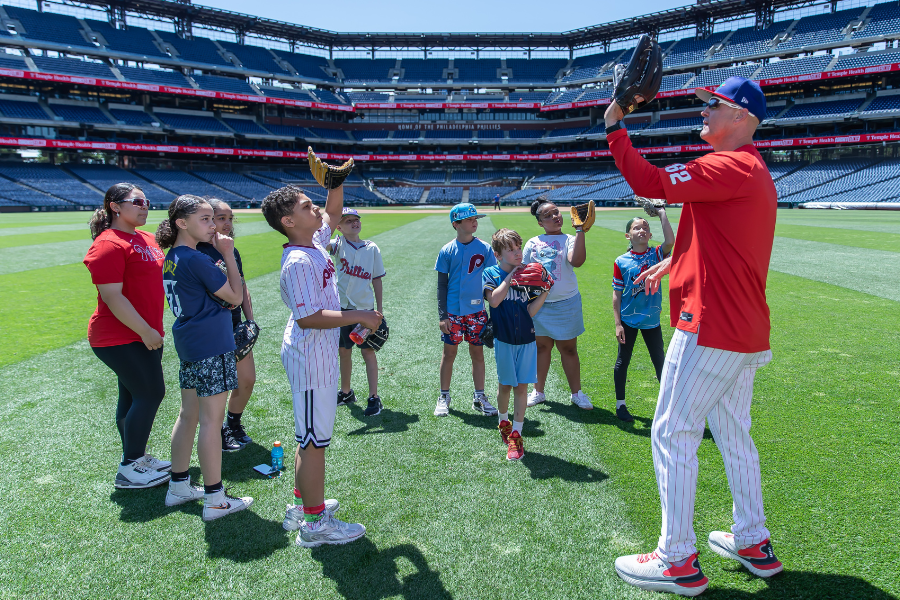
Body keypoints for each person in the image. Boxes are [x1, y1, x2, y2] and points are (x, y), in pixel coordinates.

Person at [606, 77, 783, 595]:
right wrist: (671, 263)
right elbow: (719, 238)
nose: (704, 111)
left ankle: (676, 559)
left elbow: (651, 180)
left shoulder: (730, 164)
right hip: (744, 328)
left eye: (715, 105)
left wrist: (614, 125)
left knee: (672, 431)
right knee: (734, 434)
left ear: (742, 118)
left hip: (711, 326)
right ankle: (752, 540)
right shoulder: (750, 170)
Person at [261, 183, 382, 547]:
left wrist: (336, 181)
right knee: (314, 441)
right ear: (288, 221)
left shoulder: (313, 241)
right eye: (306, 206)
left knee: (309, 437)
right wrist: (360, 314)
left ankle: (303, 505)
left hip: (318, 352)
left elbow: (331, 212)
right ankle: (315, 524)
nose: (316, 209)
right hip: (311, 355)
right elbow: (309, 317)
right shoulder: (299, 260)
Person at [157, 195, 253, 521]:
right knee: (211, 421)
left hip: (190, 342)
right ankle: (215, 498)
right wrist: (227, 254)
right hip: (211, 343)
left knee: (189, 415)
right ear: (182, 223)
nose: (213, 226)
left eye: (214, 219)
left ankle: (179, 486)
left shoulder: (173, 256)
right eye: (206, 219)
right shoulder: (196, 258)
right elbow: (235, 297)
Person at [84, 183, 171, 490]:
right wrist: (145, 331)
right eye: (137, 201)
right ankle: (130, 466)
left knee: (133, 396)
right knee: (150, 393)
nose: (145, 206)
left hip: (145, 332)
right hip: (118, 336)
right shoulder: (108, 244)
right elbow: (112, 296)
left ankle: (136, 458)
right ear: (115, 206)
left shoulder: (146, 238)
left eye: (147, 202)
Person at [195, 198, 257, 452]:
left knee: (247, 380)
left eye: (230, 218)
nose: (227, 223)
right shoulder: (198, 252)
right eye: (221, 218)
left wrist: (249, 320)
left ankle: (233, 422)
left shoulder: (231, 249)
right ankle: (219, 430)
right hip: (212, 330)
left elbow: (242, 285)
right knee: (218, 387)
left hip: (235, 324)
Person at [483, 229, 549, 461]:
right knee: (505, 386)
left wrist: (545, 291)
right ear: (498, 255)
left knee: (522, 388)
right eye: (511, 250)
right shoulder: (491, 273)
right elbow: (494, 300)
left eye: (519, 248)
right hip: (504, 340)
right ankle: (503, 421)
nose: (518, 253)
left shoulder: (528, 274)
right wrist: (511, 276)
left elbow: (530, 311)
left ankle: (517, 434)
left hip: (527, 339)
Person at [522, 197, 593, 410]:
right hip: (539, 306)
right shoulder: (533, 242)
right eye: (548, 215)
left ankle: (577, 393)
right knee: (541, 348)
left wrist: (580, 231)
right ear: (540, 223)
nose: (555, 217)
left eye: (556, 212)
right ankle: (538, 391)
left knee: (569, 349)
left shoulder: (570, 239)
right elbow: (523, 273)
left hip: (566, 304)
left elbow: (577, 261)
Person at [434, 203, 498, 418]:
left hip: (477, 312)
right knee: (449, 354)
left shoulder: (485, 248)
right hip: (453, 312)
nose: (474, 222)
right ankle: (444, 396)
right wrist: (443, 315)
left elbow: (492, 281)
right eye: (470, 219)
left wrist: (492, 314)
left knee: (477, 353)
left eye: (475, 219)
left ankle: (479, 396)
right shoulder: (447, 250)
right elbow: (442, 285)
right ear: (456, 224)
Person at [611, 212, 674, 422]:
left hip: (651, 320)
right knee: (623, 361)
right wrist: (618, 324)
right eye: (636, 228)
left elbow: (670, 241)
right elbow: (616, 295)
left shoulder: (657, 255)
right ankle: (620, 405)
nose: (642, 230)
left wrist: (662, 213)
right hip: (628, 320)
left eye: (645, 227)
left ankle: (669, 407)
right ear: (627, 235)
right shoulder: (621, 261)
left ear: (650, 234)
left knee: (660, 361)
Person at [326, 208, 386, 417]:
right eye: (348, 221)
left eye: (356, 219)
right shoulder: (337, 245)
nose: (354, 223)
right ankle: (346, 392)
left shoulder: (372, 248)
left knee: (368, 352)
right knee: (344, 351)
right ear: (339, 227)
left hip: (365, 309)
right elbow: (318, 243)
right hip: (342, 309)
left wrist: (379, 309)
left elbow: (377, 279)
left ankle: (374, 396)